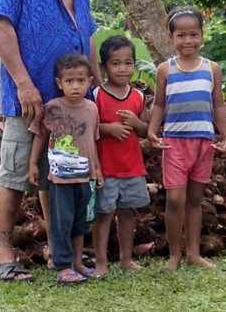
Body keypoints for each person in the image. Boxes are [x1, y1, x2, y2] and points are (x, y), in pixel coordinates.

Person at [0, 0, 100, 281]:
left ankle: (60, 253)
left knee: (61, 174)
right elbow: (1, 29)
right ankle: (3, 254)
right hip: (32, 97)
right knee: (17, 170)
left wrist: (95, 85)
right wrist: (23, 84)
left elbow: (86, 31)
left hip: (71, 102)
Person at [147, 7, 226, 271]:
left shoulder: (212, 69)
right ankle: (175, 255)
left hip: (203, 143)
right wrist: (152, 131)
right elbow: (159, 104)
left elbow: (218, 105)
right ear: (171, 36)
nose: (188, 41)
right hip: (174, 143)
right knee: (175, 200)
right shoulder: (165, 69)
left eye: (194, 34)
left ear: (201, 35)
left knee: (195, 199)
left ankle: (193, 254)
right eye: (181, 35)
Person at [28, 53, 104, 285]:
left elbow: (93, 141)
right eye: (69, 81)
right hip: (60, 179)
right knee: (62, 222)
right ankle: (62, 265)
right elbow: (40, 136)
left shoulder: (92, 109)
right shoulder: (52, 108)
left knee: (81, 222)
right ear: (59, 83)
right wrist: (33, 164)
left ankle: (78, 262)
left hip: (85, 177)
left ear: (90, 81)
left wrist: (97, 170)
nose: (75, 86)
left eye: (81, 81)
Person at [91, 35, 151, 276]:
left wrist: (136, 122)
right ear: (104, 67)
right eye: (115, 63)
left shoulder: (137, 96)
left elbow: (146, 129)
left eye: (128, 63)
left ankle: (126, 258)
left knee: (127, 213)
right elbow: (88, 129)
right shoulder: (96, 95)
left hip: (132, 167)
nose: (123, 69)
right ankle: (101, 262)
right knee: (103, 215)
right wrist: (108, 128)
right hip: (105, 169)